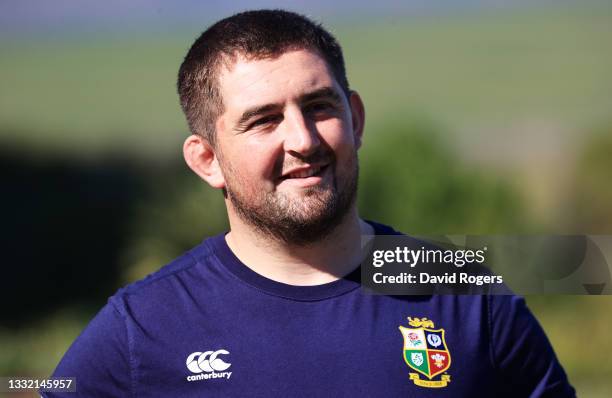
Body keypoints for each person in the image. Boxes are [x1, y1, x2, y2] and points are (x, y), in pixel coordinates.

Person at [44, 10, 575, 397]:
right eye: (264, 120)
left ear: (356, 119)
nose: (303, 139)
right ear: (207, 159)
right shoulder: (144, 326)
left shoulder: (465, 293)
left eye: (320, 106)